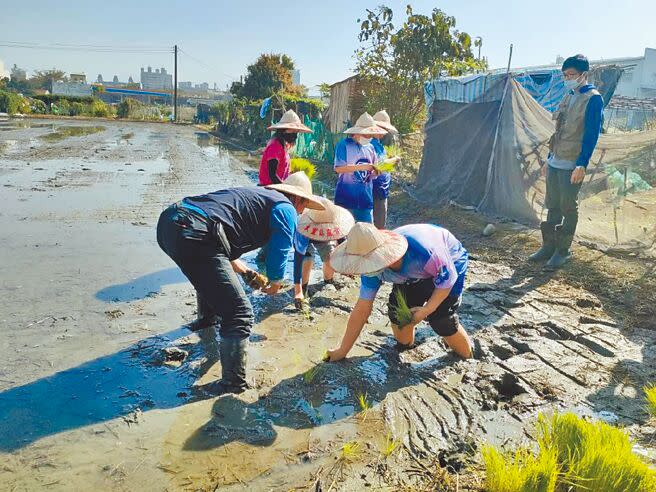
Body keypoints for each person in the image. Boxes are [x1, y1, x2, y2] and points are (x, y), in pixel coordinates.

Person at [156, 172, 324, 395]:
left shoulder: (257, 197)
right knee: (240, 313)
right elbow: (281, 250)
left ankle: (207, 321)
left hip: (171, 223)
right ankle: (233, 382)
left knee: (208, 273)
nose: (301, 213)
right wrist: (274, 283)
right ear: (298, 199)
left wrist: (245, 271)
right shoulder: (286, 208)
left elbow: (219, 230)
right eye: (303, 207)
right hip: (195, 231)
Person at [326, 223, 474, 361]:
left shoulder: (424, 252)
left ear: (384, 254)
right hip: (411, 276)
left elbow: (446, 281)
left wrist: (427, 310)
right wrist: (342, 351)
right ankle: (406, 347)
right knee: (399, 313)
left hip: (450, 263)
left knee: (441, 319)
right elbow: (362, 309)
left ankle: (467, 358)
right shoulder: (371, 271)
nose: (367, 269)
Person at [529, 54, 604, 269]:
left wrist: (582, 164)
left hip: (573, 164)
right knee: (552, 205)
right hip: (555, 161)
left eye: (572, 74)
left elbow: (591, 135)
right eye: (565, 75)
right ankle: (548, 247)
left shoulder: (593, 98)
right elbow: (558, 131)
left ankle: (563, 251)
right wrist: (549, 159)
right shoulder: (568, 95)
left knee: (568, 207)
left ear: (584, 75)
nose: (568, 78)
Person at [292, 197, 355, 310]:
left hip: (326, 237)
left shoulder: (333, 220)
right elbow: (298, 257)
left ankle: (328, 280)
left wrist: (346, 266)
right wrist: (298, 291)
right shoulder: (301, 227)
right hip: (307, 235)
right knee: (307, 259)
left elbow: (342, 243)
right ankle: (304, 287)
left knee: (330, 256)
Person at [333, 112, 387, 224]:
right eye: (366, 135)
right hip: (345, 199)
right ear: (357, 132)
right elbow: (339, 168)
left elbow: (371, 174)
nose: (368, 138)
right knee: (344, 234)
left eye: (370, 135)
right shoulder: (344, 145)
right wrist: (363, 167)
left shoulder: (371, 147)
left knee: (367, 234)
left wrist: (376, 172)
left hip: (365, 201)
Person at [258, 110, 311, 186]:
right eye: (292, 132)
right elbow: (272, 175)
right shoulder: (275, 146)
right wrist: (285, 189)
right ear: (283, 130)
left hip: (276, 187)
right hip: (269, 189)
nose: (295, 135)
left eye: (296, 132)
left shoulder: (283, 145)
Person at [371, 110, 401, 229]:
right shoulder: (371, 144)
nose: (384, 132)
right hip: (376, 189)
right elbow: (379, 165)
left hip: (381, 189)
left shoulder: (378, 143)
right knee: (378, 224)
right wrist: (394, 160)